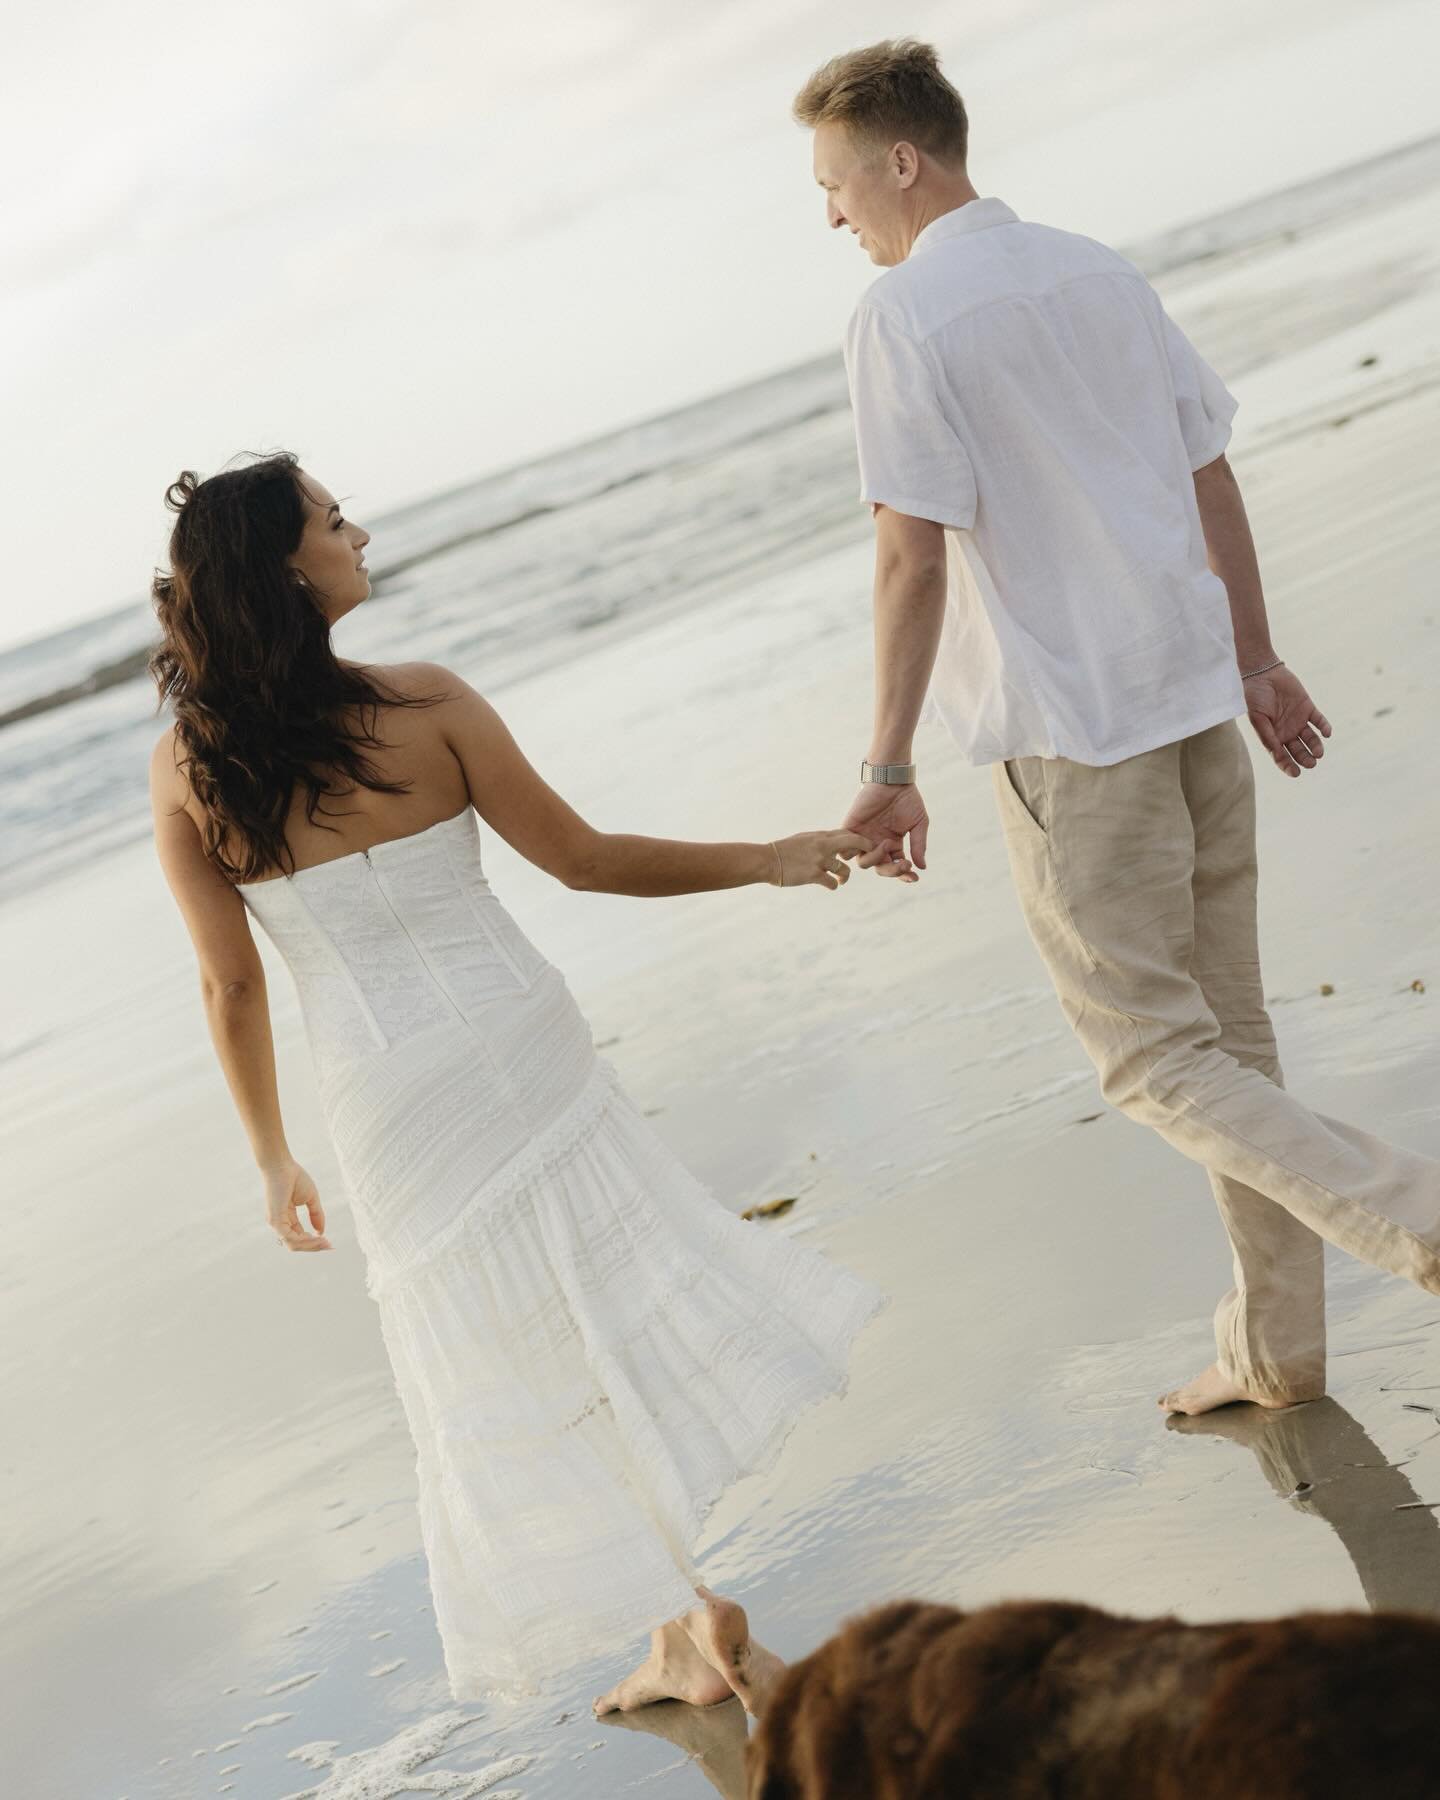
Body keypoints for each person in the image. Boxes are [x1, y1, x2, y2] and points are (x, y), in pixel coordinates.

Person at [145, 453, 889, 1712]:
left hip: (389, 1099)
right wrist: (772, 857)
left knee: (506, 1358)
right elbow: (586, 863)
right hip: (526, 1044)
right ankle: (684, 1620)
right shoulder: (427, 702)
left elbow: (232, 988)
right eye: (334, 521)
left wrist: (272, 1156)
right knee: (597, 1309)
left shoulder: (189, 770)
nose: (359, 530)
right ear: (285, 566)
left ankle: (684, 1625)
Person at [791, 38, 1440, 1417]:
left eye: (835, 184)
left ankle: (1418, 1214)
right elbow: (1211, 475)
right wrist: (1255, 660)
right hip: (1194, 695)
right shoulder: (1095, 265)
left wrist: (888, 762)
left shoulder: (901, 317)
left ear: (901, 160)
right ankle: (1276, 1354)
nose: (831, 214)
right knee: (1231, 1049)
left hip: (1072, 731)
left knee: (1152, 1060)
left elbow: (910, 555)